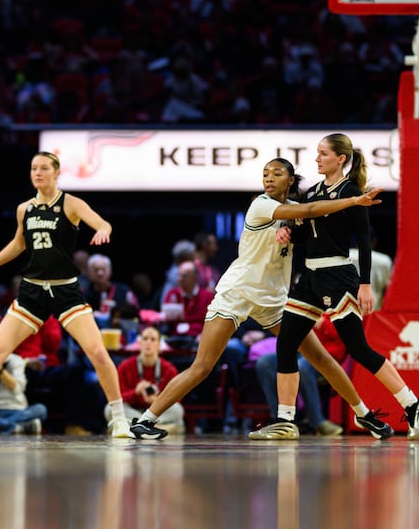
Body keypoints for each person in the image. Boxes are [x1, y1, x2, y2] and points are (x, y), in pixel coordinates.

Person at [130, 156, 391, 440]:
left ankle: (364, 415)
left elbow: (319, 213)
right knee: (202, 366)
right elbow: (314, 207)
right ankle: (145, 420)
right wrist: (353, 202)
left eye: (276, 173)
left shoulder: (295, 211)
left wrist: (348, 196)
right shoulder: (262, 205)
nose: (268, 178)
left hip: (274, 299)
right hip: (238, 292)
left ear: (290, 181)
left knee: (321, 358)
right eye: (265, 173)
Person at [0, 151, 132, 438]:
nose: (37, 173)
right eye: (33, 168)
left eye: (43, 168)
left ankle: (120, 419)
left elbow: (103, 223)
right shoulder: (24, 209)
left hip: (65, 290)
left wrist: (102, 230)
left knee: (98, 353)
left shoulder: (71, 203)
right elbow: (18, 244)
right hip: (32, 291)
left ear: (56, 173)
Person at [256, 134, 419, 440]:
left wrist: (365, 284)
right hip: (309, 279)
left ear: (340, 159)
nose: (317, 158)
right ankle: (285, 420)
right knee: (285, 344)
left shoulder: (352, 193)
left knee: (359, 349)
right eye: (317, 153)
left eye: (323, 154)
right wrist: (288, 232)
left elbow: (363, 241)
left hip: (339, 276)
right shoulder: (313, 193)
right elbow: (307, 233)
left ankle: (413, 404)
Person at [110, 327, 185, 435]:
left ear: (159, 344)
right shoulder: (125, 366)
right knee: (109, 409)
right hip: (133, 410)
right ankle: (152, 427)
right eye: (145, 338)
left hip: (157, 414)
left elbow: (177, 399)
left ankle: (136, 427)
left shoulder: (169, 369)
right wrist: (135, 392)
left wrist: (158, 401)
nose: (148, 343)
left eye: (153, 339)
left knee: (178, 409)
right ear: (139, 343)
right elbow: (117, 397)